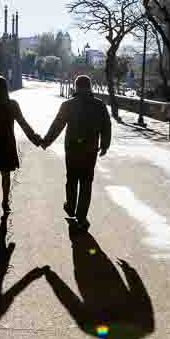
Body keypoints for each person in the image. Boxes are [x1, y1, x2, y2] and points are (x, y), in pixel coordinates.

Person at [41, 75, 111, 232]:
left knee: (72, 178)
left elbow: (57, 125)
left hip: (72, 149)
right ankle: (81, 216)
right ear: (90, 87)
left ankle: (71, 207)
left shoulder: (68, 105)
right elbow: (106, 125)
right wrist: (105, 145)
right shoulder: (99, 105)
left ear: (76, 87)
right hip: (90, 150)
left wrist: (46, 141)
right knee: (86, 182)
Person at [0, 76, 41, 215]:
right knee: (6, 176)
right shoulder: (12, 104)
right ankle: (5, 202)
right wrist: (36, 139)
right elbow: (23, 124)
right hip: (6, 145)